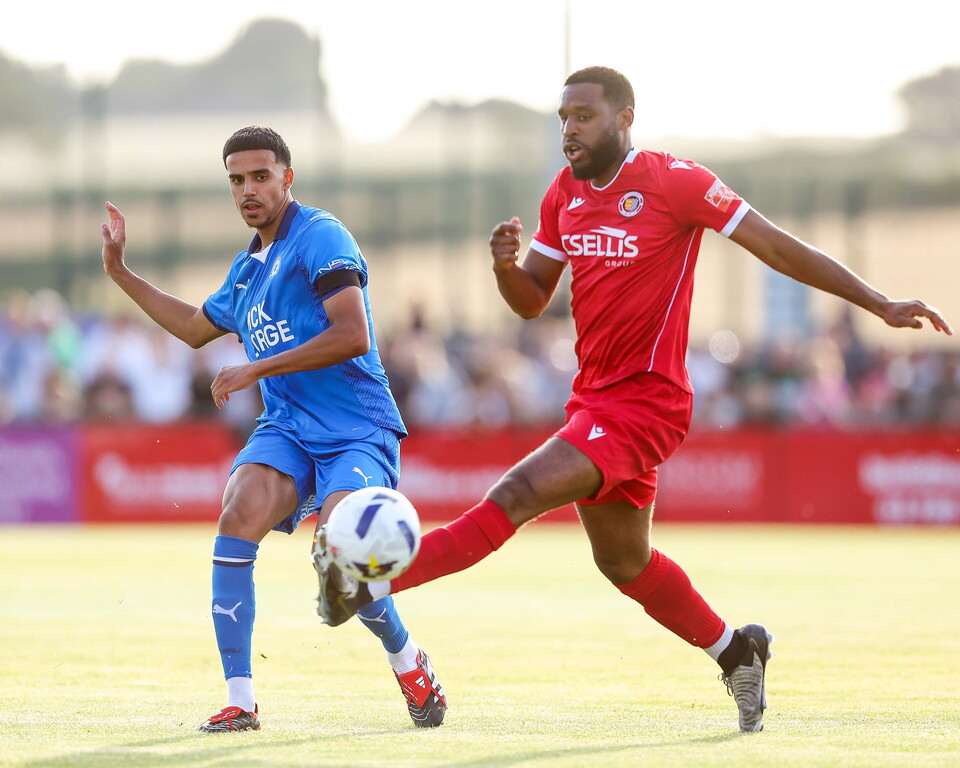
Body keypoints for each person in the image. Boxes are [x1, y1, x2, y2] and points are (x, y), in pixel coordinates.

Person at [315, 67, 954, 733]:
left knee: (513, 496)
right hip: (593, 402)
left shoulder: (676, 183)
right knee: (623, 562)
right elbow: (532, 301)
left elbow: (774, 245)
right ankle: (738, 652)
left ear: (624, 119)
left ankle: (367, 584)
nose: (569, 129)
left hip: (648, 405)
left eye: (584, 116)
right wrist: (506, 267)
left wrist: (877, 301)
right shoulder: (564, 193)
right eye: (563, 117)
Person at [100, 126, 447, 732]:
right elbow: (192, 325)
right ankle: (241, 699)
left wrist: (256, 366)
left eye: (261, 176)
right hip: (286, 426)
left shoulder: (321, 236)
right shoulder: (246, 270)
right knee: (237, 513)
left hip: (355, 427)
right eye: (237, 179)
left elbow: (352, 335)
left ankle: (408, 660)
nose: (248, 189)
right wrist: (120, 272)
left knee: (345, 552)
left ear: (288, 178)